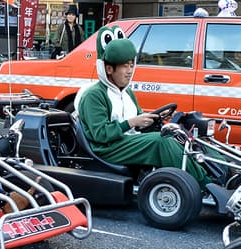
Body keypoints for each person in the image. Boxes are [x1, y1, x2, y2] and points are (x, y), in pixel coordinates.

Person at [75, 25, 209, 190]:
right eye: (124, 66)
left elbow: (138, 120)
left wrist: (152, 120)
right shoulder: (94, 95)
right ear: (109, 69)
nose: (129, 71)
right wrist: (131, 123)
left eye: (131, 65)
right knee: (161, 143)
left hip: (125, 140)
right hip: (107, 148)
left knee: (181, 137)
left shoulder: (126, 92)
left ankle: (221, 173)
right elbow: (101, 134)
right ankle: (203, 186)